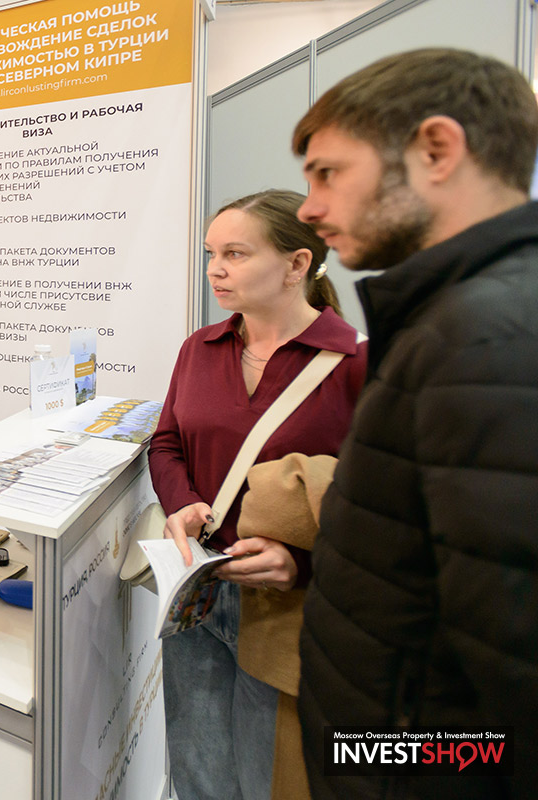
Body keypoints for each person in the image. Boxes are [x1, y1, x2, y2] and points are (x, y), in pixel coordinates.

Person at [291, 48, 538, 799]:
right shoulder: (457, 318)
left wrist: (386, 768)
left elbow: (516, 682)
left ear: (436, 150)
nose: (308, 207)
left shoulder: (487, 337)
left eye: (328, 173)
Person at [148, 189, 367, 800]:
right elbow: (166, 442)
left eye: (236, 254)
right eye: (211, 253)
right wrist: (181, 503)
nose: (215, 269)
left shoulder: (355, 364)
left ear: (297, 264)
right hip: (198, 591)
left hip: (289, 610)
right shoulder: (200, 348)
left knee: (269, 780)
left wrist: (302, 563)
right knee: (196, 772)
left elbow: (387, 512)